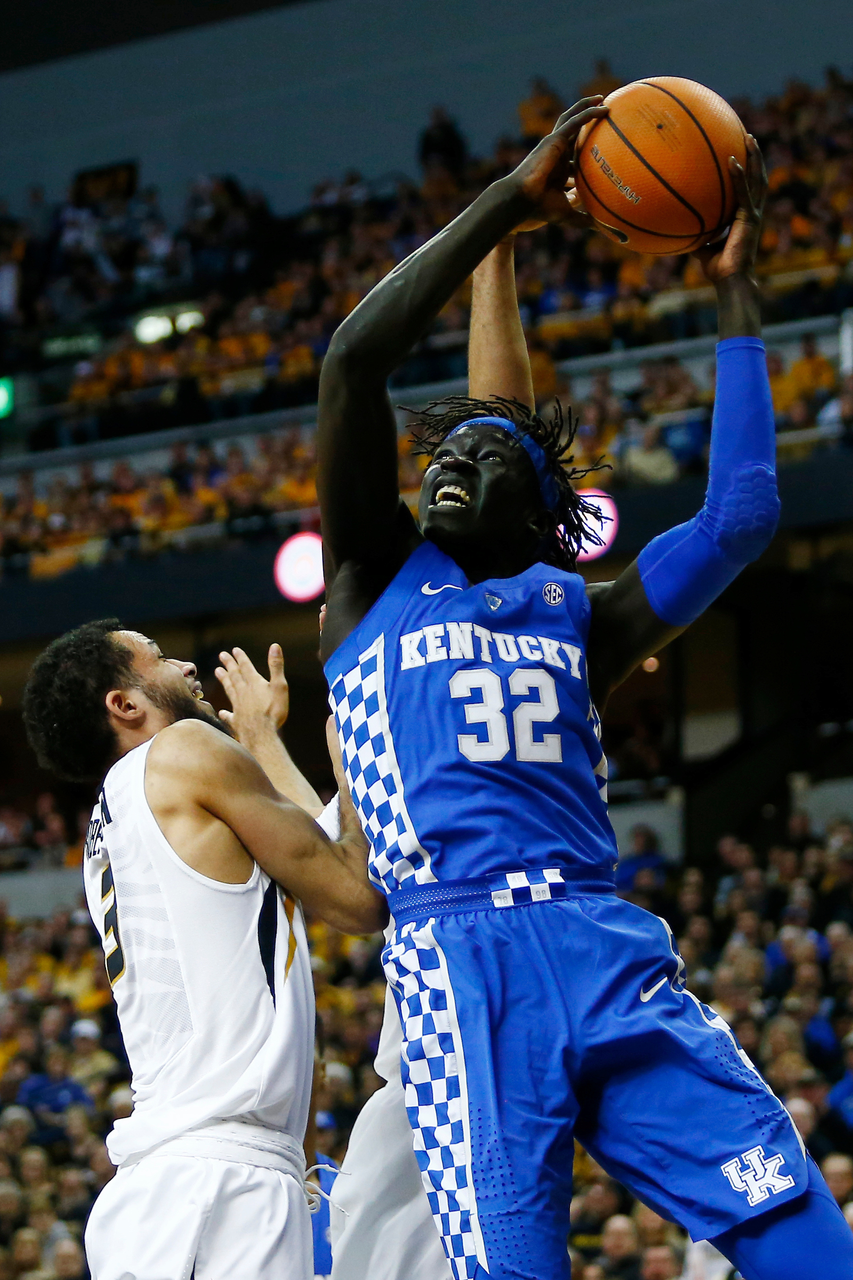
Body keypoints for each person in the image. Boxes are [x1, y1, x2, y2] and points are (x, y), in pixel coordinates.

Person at [315, 97, 853, 1280]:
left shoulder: (582, 613)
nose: (450, 458)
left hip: (603, 936)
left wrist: (731, 293)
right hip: (459, 962)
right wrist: (505, 201)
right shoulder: (370, 579)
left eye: (483, 452)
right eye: (441, 454)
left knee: (800, 1228)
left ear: (548, 515)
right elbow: (352, 360)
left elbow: (742, 515)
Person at [21, 622, 384, 1280]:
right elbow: (357, 896)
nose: (184, 664)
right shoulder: (183, 750)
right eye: (157, 658)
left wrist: (260, 742)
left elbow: (310, 851)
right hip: (219, 1188)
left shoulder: (130, 806)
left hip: (176, 1183)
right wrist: (354, 753)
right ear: (125, 704)